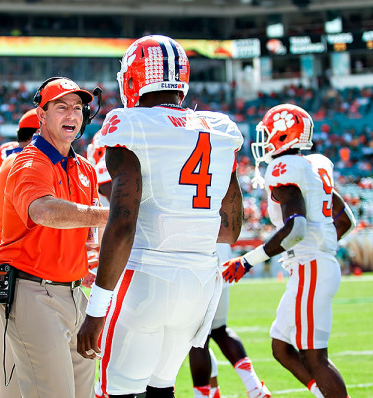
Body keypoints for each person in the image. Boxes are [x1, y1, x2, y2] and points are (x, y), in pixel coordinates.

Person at [77, 35, 244, 398]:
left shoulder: (131, 123)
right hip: (199, 283)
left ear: (133, 78)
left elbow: (122, 224)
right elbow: (230, 230)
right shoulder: (220, 130)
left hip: (146, 277)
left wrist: (97, 308)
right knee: (161, 389)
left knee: (116, 391)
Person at [221, 104, 356, 398]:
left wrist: (247, 261)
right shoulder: (314, 167)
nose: (266, 139)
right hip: (313, 265)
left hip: (311, 267)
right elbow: (345, 220)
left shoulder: (285, 168)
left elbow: (295, 227)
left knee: (314, 356)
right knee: (281, 346)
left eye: (270, 132)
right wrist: (323, 246)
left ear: (284, 135)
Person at [0, 77, 108, 398]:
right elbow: (42, 211)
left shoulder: (85, 169)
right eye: (61, 107)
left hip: (75, 293)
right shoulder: (28, 162)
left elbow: (89, 238)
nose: (71, 115)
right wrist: (112, 216)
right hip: (33, 292)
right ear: (41, 115)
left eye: (77, 108)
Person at [0, 108, 40, 398]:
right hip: (12, 273)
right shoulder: (27, 163)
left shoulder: (10, 164)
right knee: (12, 376)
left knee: (8, 372)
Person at [189, 243, 271, 398]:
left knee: (197, 337)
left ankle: (203, 395)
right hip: (222, 256)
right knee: (219, 330)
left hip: (198, 257)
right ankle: (254, 387)